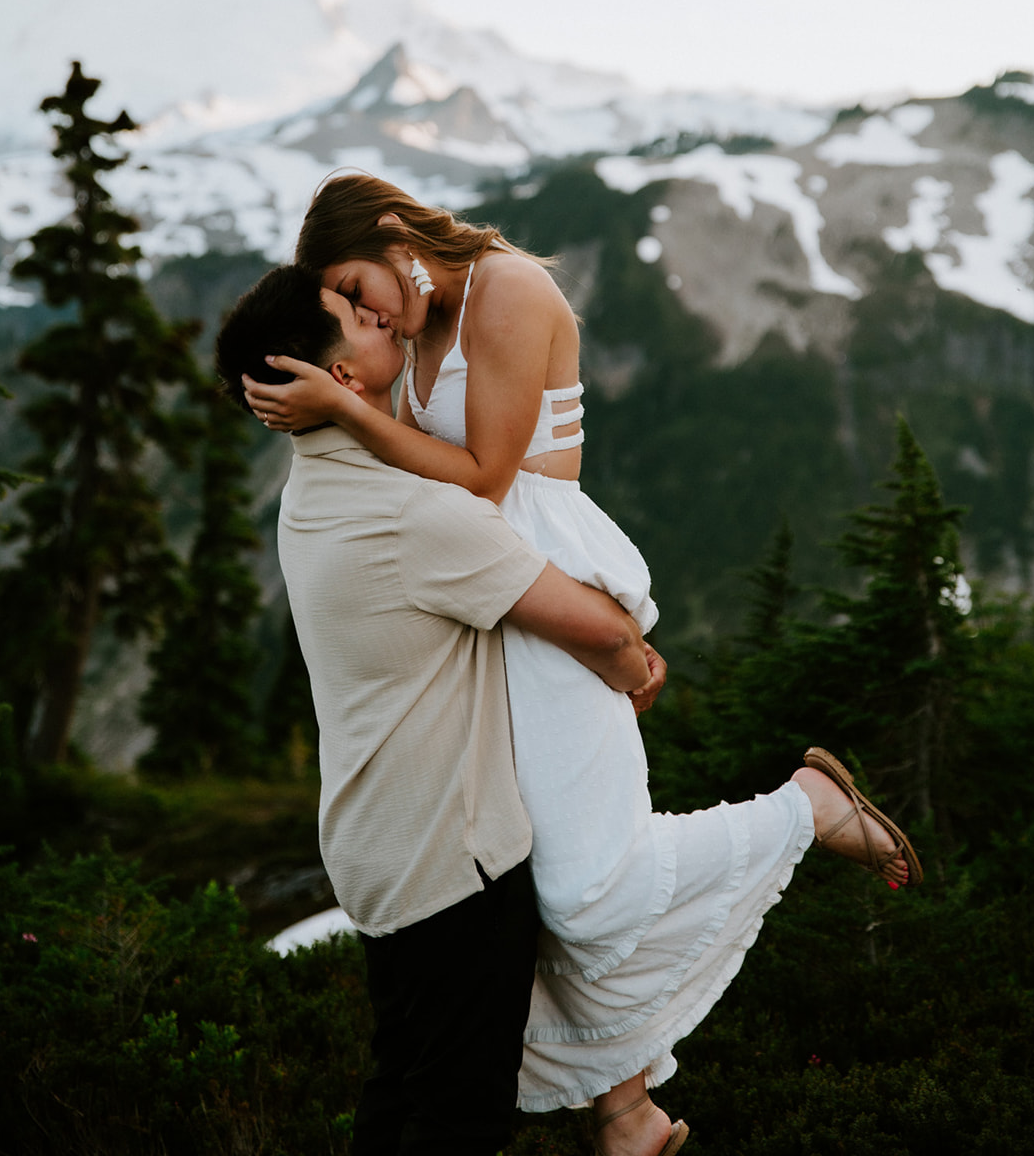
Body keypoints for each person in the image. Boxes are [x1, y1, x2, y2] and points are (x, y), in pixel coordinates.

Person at [240, 177, 921, 1156]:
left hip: (545, 587)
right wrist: (339, 398)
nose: (365, 314)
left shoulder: (508, 291)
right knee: (549, 879)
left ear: (393, 235)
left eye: (355, 287)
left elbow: (482, 477)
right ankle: (628, 1112)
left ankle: (805, 808)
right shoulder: (417, 322)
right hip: (481, 608)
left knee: (581, 887)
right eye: (346, 310)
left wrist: (345, 414)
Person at [216, 264, 660, 1156]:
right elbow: (603, 631)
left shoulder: (310, 495)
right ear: (335, 377)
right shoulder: (411, 514)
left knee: (400, 1096)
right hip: (451, 863)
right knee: (457, 1121)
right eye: (355, 314)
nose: (384, 315)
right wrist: (637, 664)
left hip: (373, 850)